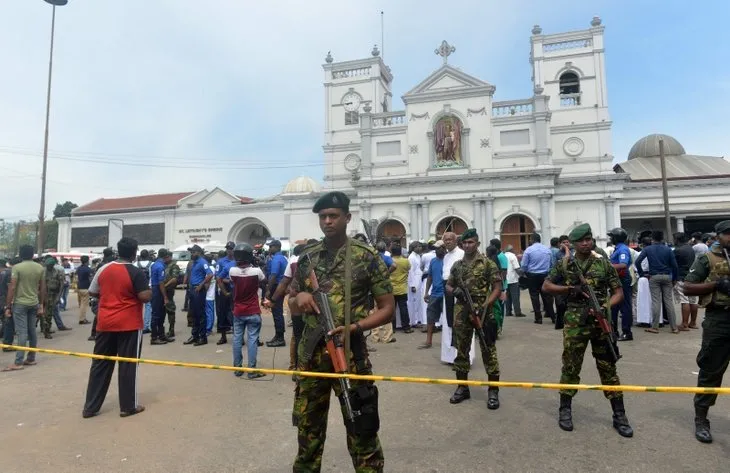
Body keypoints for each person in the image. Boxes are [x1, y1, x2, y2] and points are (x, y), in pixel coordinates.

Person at [290, 191, 394, 472]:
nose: (327, 221)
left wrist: (355, 327)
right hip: (312, 359)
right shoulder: (307, 259)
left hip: (351, 355)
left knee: (362, 431)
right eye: (322, 217)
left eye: (333, 216)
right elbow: (292, 302)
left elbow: (387, 308)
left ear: (347, 218)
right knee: (308, 436)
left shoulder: (365, 257)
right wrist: (298, 298)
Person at [542, 223, 633, 438]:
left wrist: (606, 307)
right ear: (573, 243)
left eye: (589, 239)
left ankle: (619, 415)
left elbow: (618, 292)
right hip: (575, 323)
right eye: (581, 240)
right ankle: (565, 410)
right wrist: (569, 289)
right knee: (571, 365)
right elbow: (546, 286)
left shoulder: (603, 263)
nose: (586, 243)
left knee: (608, 367)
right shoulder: (565, 264)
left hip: (601, 321)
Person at [82, 237, 151, 419]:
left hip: (105, 323)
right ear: (134, 251)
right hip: (129, 323)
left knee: (100, 364)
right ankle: (128, 406)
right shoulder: (135, 272)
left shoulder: (103, 269)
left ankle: (90, 407)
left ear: (118, 251)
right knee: (128, 365)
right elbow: (144, 296)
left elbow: (92, 291)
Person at [682, 220, 730, 444]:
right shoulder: (706, 258)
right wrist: (716, 285)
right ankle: (701, 418)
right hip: (719, 319)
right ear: (718, 236)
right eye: (728, 234)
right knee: (711, 370)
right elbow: (688, 287)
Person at [445, 228, 502, 409]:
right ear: (462, 244)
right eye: (465, 243)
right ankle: (462, 388)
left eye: (471, 242)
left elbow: (497, 288)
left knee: (488, 349)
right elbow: (448, 285)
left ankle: (493, 392)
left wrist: (486, 305)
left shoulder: (487, 264)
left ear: (477, 243)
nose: (468, 245)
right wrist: (455, 291)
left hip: (483, 312)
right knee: (462, 349)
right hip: (462, 312)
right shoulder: (457, 266)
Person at [3, 247, 46, 370]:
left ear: (21, 255)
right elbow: (42, 288)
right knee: (32, 331)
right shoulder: (40, 268)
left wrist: (8, 306)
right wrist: (41, 305)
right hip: (34, 303)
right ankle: (31, 358)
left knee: (22, 332)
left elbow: (12, 287)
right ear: (32, 255)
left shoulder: (17, 268)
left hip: (20, 304)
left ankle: (18, 362)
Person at [228, 243, 266, 380]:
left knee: (237, 339)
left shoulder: (232, 271)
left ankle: (237, 368)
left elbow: (233, 280)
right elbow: (263, 280)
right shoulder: (256, 271)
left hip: (238, 311)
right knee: (252, 340)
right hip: (253, 310)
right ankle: (251, 369)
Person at [635, 231, 679, 334]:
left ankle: (655, 327)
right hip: (667, 276)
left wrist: (642, 274)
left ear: (652, 239)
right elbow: (675, 266)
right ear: (662, 238)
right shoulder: (668, 249)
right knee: (669, 302)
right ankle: (674, 327)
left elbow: (638, 262)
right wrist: (674, 278)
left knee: (656, 301)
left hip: (654, 277)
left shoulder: (647, 249)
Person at [441, 231, 465, 364]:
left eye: (450, 239)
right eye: (445, 240)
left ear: (456, 241)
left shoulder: (461, 254)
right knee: (448, 322)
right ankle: (450, 356)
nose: (448, 242)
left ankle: (460, 355)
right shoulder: (445, 256)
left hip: (457, 291)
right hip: (447, 290)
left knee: (458, 322)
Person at [520, 232, 555, 324]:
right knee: (547, 296)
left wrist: (524, 273)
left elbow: (524, 265)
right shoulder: (547, 250)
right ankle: (552, 316)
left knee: (534, 296)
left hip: (532, 275)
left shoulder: (529, 250)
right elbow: (552, 264)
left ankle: (538, 318)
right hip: (545, 275)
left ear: (531, 240)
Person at [183, 245, 214, 346]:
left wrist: (201, 285)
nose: (192, 254)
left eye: (193, 252)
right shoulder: (194, 263)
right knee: (193, 313)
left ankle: (202, 337)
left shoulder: (202, 262)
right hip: (192, 289)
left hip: (198, 290)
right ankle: (195, 335)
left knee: (200, 314)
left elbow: (210, 274)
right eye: (191, 252)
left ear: (199, 253)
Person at [607, 228, 634, 341]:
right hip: (616, 279)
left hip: (622, 279)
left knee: (624, 306)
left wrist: (607, 266)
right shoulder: (617, 249)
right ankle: (614, 331)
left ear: (616, 237)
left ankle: (627, 332)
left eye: (612, 236)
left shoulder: (623, 249)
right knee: (614, 306)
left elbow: (623, 265)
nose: (611, 238)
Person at [421, 240, 446, 349]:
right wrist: (426, 292)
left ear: (444, 249)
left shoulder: (448, 261)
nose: (436, 250)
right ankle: (428, 341)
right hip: (434, 294)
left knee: (447, 319)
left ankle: (448, 342)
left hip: (445, 294)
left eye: (439, 248)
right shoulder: (433, 261)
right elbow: (430, 277)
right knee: (430, 318)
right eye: (435, 248)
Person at [264, 240, 288, 347]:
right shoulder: (282, 258)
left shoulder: (277, 259)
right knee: (277, 312)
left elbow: (273, 275)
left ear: (277, 247)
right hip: (280, 287)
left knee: (277, 313)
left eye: (271, 247)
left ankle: (280, 338)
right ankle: (278, 336)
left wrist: (269, 289)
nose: (269, 249)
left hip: (276, 287)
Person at [672, 232, 698, 330]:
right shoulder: (690, 248)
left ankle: (684, 324)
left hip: (681, 277)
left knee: (684, 301)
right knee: (693, 301)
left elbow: (673, 265)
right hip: (693, 277)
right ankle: (693, 323)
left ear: (677, 240)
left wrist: (674, 278)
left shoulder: (677, 250)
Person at [149, 249, 174, 344]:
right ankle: (154, 337)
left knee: (161, 314)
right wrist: (165, 297)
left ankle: (161, 335)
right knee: (156, 314)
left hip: (155, 289)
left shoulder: (155, 264)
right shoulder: (160, 266)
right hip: (157, 290)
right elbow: (161, 283)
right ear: (166, 256)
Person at [215, 242, 236, 345]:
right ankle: (223, 336)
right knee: (222, 312)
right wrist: (228, 281)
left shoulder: (237, 261)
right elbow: (218, 276)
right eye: (228, 248)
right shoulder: (221, 261)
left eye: (231, 248)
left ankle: (237, 336)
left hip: (235, 288)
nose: (229, 250)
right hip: (223, 287)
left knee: (235, 312)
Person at [41, 257, 68, 339]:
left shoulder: (57, 272)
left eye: (50, 265)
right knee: (40, 314)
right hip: (43, 294)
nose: (48, 267)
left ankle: (47, 330)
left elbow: (61, 285)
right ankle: (43, 328)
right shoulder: (42, 272)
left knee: (49, 314)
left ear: (53, 265)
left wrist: (58, 297)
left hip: (53, 295)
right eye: (47, 265)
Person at [390, 243, 412, 333]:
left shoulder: (389, 261)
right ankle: (406, 327)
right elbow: (408, 269)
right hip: (402, 288)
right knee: (403, 308)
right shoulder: (405, 261)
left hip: (391, 288)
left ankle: (392, 328)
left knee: (392, 309)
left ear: (391, 251)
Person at [161, 250, 181, 338]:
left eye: (166, 257)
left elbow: (174, 279)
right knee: (161, 310)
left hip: (168, 290)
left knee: (170, 310)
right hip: (162, 290)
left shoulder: (174, 266)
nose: (164, 259)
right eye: (164, 257)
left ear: (170, 257)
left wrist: (165, 286)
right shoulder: (163, 265)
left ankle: (171, 330)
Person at [1, 258, 19, 351]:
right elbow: (10, 288)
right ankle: (7, 344)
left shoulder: (4, 272)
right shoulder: (10, 273)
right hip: (5, 300)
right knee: (9, 322)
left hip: (2, 298)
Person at [503, 245, 524, 318]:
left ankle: (508, 312)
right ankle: (518, 312)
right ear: (512, 250)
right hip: (513, 279)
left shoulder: (503, 255)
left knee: (507, 297)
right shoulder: (513, 256)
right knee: (515, 296)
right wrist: (523, 275)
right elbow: (517, 268)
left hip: (505, 279)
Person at [407, 242, 424, 328]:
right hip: (414, 281)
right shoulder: (411, 257)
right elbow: (410, 272)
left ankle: (418, 320)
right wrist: (412, 285)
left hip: (418, 280)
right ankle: (414, 321)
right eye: (418, 246)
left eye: (421, 246)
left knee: (418, 301)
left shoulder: (418, 256)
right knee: (414, 302)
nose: (420, 248)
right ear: (413, 248)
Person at [135, 250, 153, 334]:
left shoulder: (135, 264)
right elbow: (152, 277)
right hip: (148, 287)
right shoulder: (152, 264)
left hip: (137, 287)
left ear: (140, 256)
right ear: (148, 255)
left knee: (136, 306)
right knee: (148, 306)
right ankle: (146, 326)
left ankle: (136, 324)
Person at [76, 255, 92, 325]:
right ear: (87, 261)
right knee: (84, 305)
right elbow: (91, 278)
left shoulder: (79, 268)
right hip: (85, 288)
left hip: (79, 287)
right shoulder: (88, 269)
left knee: (81, 304)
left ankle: (82, 317)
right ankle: (82, 319)